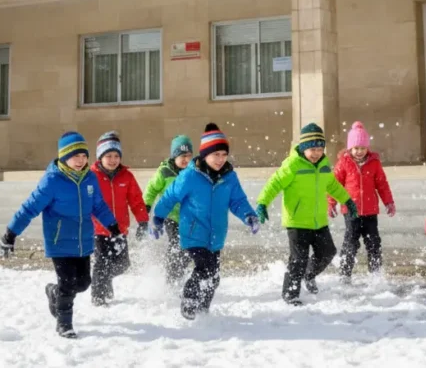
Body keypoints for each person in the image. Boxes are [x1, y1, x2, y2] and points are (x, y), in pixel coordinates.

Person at [0, 131, 121, 339]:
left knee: (83, 283)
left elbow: (98, 206)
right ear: (64, 157)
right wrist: (10, 234)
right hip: (59, 242)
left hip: (83, 241)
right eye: (75, 156)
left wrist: (114, 227)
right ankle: (64, 323)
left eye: (84, 156)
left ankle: (53, 292)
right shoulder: (52, 180)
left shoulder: (90, 178)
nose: (81, 161)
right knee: (68, 284)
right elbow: (29, 208)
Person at [150, 123, 260, 320]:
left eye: (224, 155)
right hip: (193, 233)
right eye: (215, 154)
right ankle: (188, 299)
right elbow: (170, 196)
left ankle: (203, 310)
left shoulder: (229, 177)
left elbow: (238, 201)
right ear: (205, 155)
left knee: (214, 277)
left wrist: (248, 215)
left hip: (215, 235)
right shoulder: (190, 175)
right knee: (205, 269)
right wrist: (158, 217)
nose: (220, 159)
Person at [256, 122, 358, 305]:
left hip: (319, 221)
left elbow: (333, 185)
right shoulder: (293, 164)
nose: (316, 153)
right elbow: (274, 183)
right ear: (303, 148)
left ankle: (308, 275)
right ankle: (291, 294)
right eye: (312, 149)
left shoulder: (324, 164)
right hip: (297, 222)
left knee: (327, 253)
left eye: (320, 149)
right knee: (298, 259)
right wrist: (263, 203)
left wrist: (347, 200)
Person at [328, 121, 395, 281]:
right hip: (351, 211)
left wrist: (389, 202)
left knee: (373, 243)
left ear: (367, 148)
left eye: (363, 148)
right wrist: (331, 203)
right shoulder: (344, 163)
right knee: (350, 243)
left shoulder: (374, 163)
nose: (359, 152)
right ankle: (345, 274)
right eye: (356, 148)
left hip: (370, 211)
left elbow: (382, 184)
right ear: (350, 148)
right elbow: (334, 185)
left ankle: (375, 274)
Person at [88, 131, 149, 306]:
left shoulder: (126, 176)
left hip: (120, 230)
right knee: (102, 263)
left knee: (122, 264)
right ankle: (98, 297)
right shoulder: (91, 176)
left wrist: (143, 221)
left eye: (116, 156)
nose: (113, 160)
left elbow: (136, 200)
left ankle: (104, 281)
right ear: (100, 157)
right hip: (98, 230)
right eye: (108, 156)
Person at [143, 134, 194, 285]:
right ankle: (171, 275)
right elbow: (151, 189)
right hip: (170, 215)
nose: (186, 159)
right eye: (182, 156)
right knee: (177, 243)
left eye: (189, 156)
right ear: (174, 156)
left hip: (189, 217)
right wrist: (146, 206)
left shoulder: (194, 172)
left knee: (189, 248)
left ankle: (179, 272)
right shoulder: (164, 172)